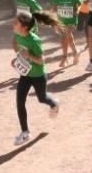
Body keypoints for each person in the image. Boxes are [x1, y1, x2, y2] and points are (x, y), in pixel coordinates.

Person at [11, 10, 63, 145]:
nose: (13, 24)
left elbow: (41, 61)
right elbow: (15, 44)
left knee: (42, 98)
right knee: (20, 102)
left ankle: (54, 103)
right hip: (25, 75)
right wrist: (18, 58)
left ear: (24, 27)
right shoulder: (17, 35)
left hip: (38, 76)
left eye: (16, 22)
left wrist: (28, 56)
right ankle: (25, 132)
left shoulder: (35, 40)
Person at [50, 0, 83, 66]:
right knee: (69, 37)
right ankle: (76, 52)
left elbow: (80, 4)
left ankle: (64, 57)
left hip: (71, 21)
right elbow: (53, 8)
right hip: (62, 21)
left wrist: (77, 11)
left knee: (64, 36)